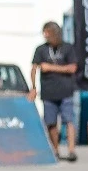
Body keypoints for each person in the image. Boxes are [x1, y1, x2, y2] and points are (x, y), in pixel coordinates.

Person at [27, 20, 80, 161]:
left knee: (68, 120)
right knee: (50, 123)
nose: (47, 38)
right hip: (48, 92)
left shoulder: (67, 48)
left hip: (66, 91)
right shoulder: (41, 50)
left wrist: (50, 68)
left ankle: (71, 150)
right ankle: (55, 150)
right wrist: (33, 88)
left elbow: (72, 68)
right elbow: (34, 69)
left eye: (49, 35)